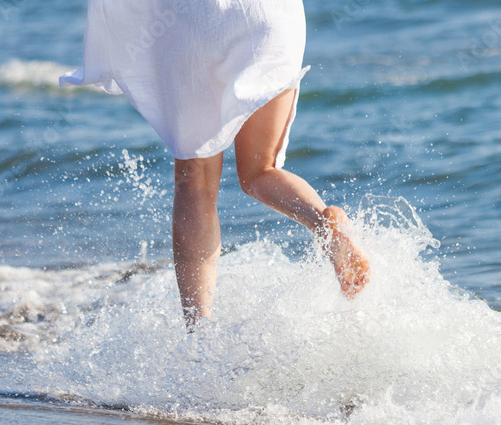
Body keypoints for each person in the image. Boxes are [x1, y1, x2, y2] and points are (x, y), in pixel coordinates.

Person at [61, 0, 370, 326]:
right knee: (261, 169)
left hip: (191, 19)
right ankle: (325, 225)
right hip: (268, 17)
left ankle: (199, 334)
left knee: (196, 181)